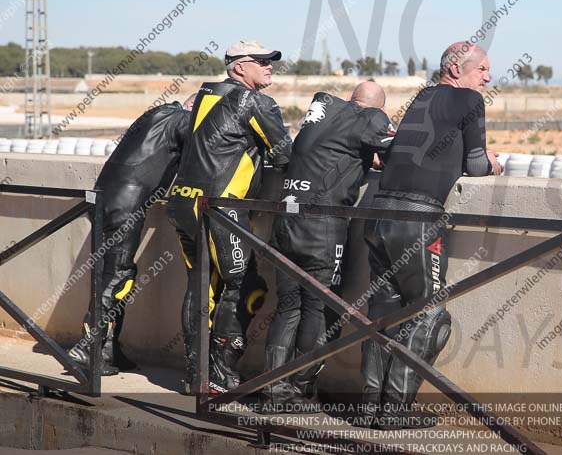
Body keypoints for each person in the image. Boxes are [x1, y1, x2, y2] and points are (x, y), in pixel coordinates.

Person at [360, 42, 502, 429]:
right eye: (482, 69)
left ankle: (371, 406)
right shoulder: (470, 101)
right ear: (457, 69)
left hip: (378, 212)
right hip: (416, 218)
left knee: (383, 313)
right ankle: (393, 411)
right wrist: (491, 164)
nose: (488, 77)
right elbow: (474, 165)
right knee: (431, 316)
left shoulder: (422, 97)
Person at [258, 82, 394, 413]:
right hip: (323, 227)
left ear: (351, 100)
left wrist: (362, 160)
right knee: (319, 308)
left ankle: (272, 389)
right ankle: (301, 388)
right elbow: (400, 151)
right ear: (373, 108)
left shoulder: (322, 111)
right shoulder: (372, 117)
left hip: (286, 218)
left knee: (288, 306)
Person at [168, 40, 292, 395]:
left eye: (271, 61)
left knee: (201, 285)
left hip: (182, 201)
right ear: (239, 67)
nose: (270, 66)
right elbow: (284, 155)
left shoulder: (205, 94)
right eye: (262, 61)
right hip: (221, 206)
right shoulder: (253, 101)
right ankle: (221, 373)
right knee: (246, 285)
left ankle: (197, 375)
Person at [68, 95, 193, 376]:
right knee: (118, 276)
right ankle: (87, 347)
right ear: (193, 109)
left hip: (104, 198)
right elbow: (202, 156)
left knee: (114, 273)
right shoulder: (183, 119)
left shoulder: (156, 114)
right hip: (127, 205)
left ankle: (109, 349)